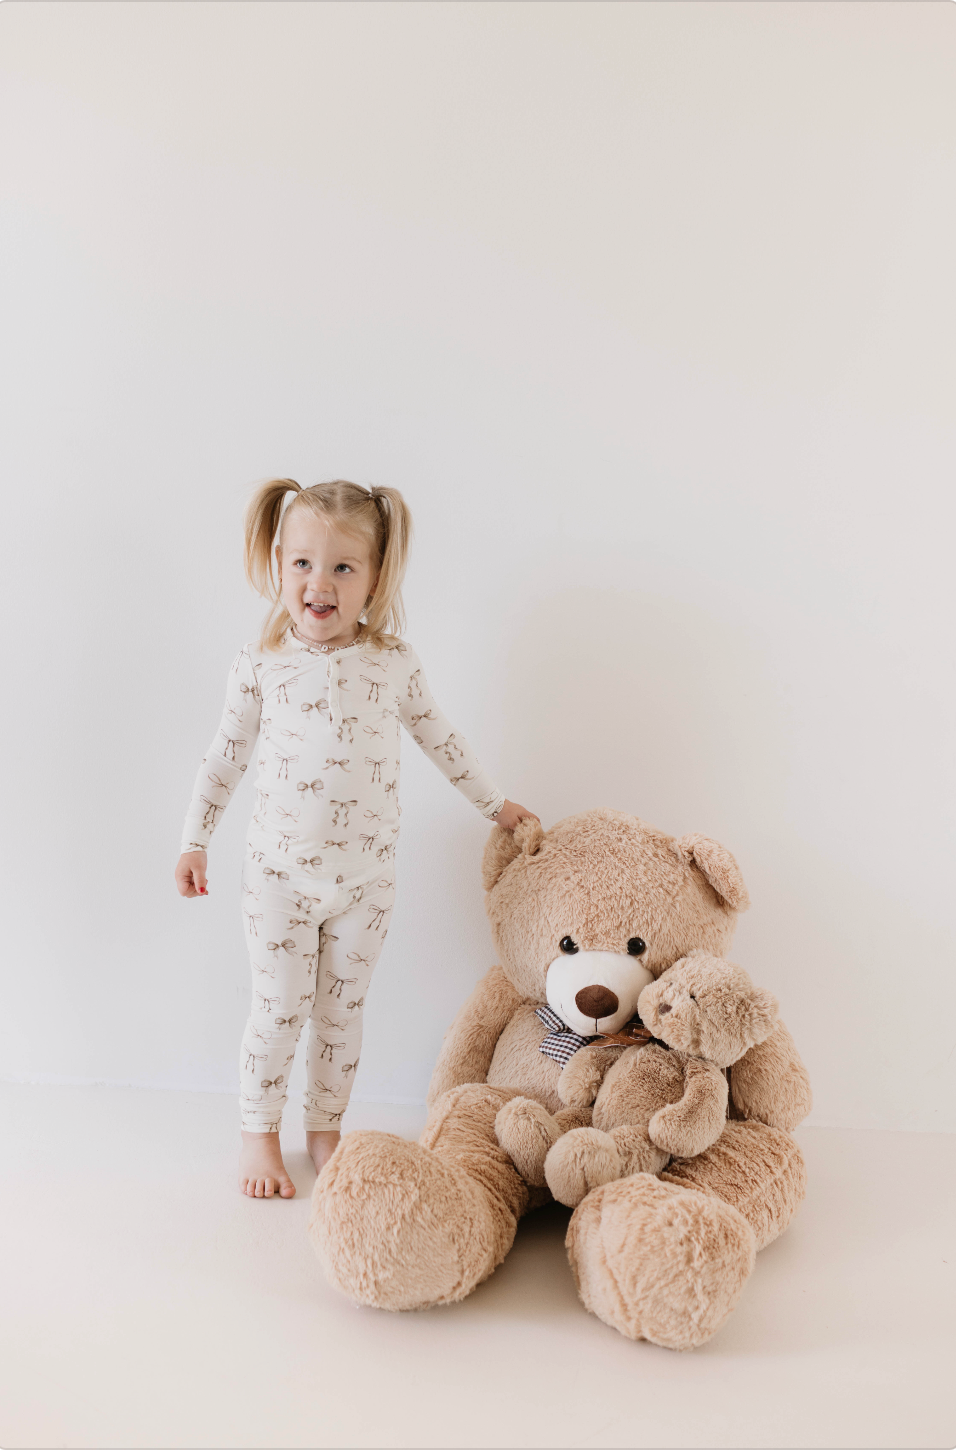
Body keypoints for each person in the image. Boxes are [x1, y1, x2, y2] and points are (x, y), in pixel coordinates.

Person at [175, 479, 537, 1200]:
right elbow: (224, 757)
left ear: (376, 577)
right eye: (303, 563)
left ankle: (324, 1128)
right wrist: (196, 840)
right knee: (279, 1009)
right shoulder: (260, 667)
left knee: (341, 1012)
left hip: (365, 881)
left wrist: (495, 805)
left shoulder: (393, 663)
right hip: (277, 876)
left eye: (344, 567)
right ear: (279, 564)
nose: (320, 583)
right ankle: (258, 1135)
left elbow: (440, 737)